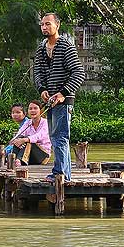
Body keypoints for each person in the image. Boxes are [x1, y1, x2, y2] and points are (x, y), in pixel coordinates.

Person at [33, 12, 85, 181]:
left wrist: (63, 93)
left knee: (60, 136)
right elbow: (38, 72)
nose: (44, 27)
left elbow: (79, 72)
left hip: (63, 100)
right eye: (42, 24)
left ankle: (60, 174)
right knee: (55, 136)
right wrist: (42, 89)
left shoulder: (66, 46)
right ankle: (64, 174)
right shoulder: (41, 48)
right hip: (49, 101)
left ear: (57, 25)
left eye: (48, 24)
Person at [10, 99, 51, 165]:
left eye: (35, 108)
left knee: (28, 141)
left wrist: (24, 139)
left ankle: (18, 160)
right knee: (19, 138)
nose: (32, 110)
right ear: (28, 111)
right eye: (30, 109)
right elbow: (19, 133)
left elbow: (38, 136)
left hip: (43, 156)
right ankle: (13, 160)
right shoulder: (27, 122)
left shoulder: (45, 123)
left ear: (40, 111)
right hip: (31, 156)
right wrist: (15, 140)